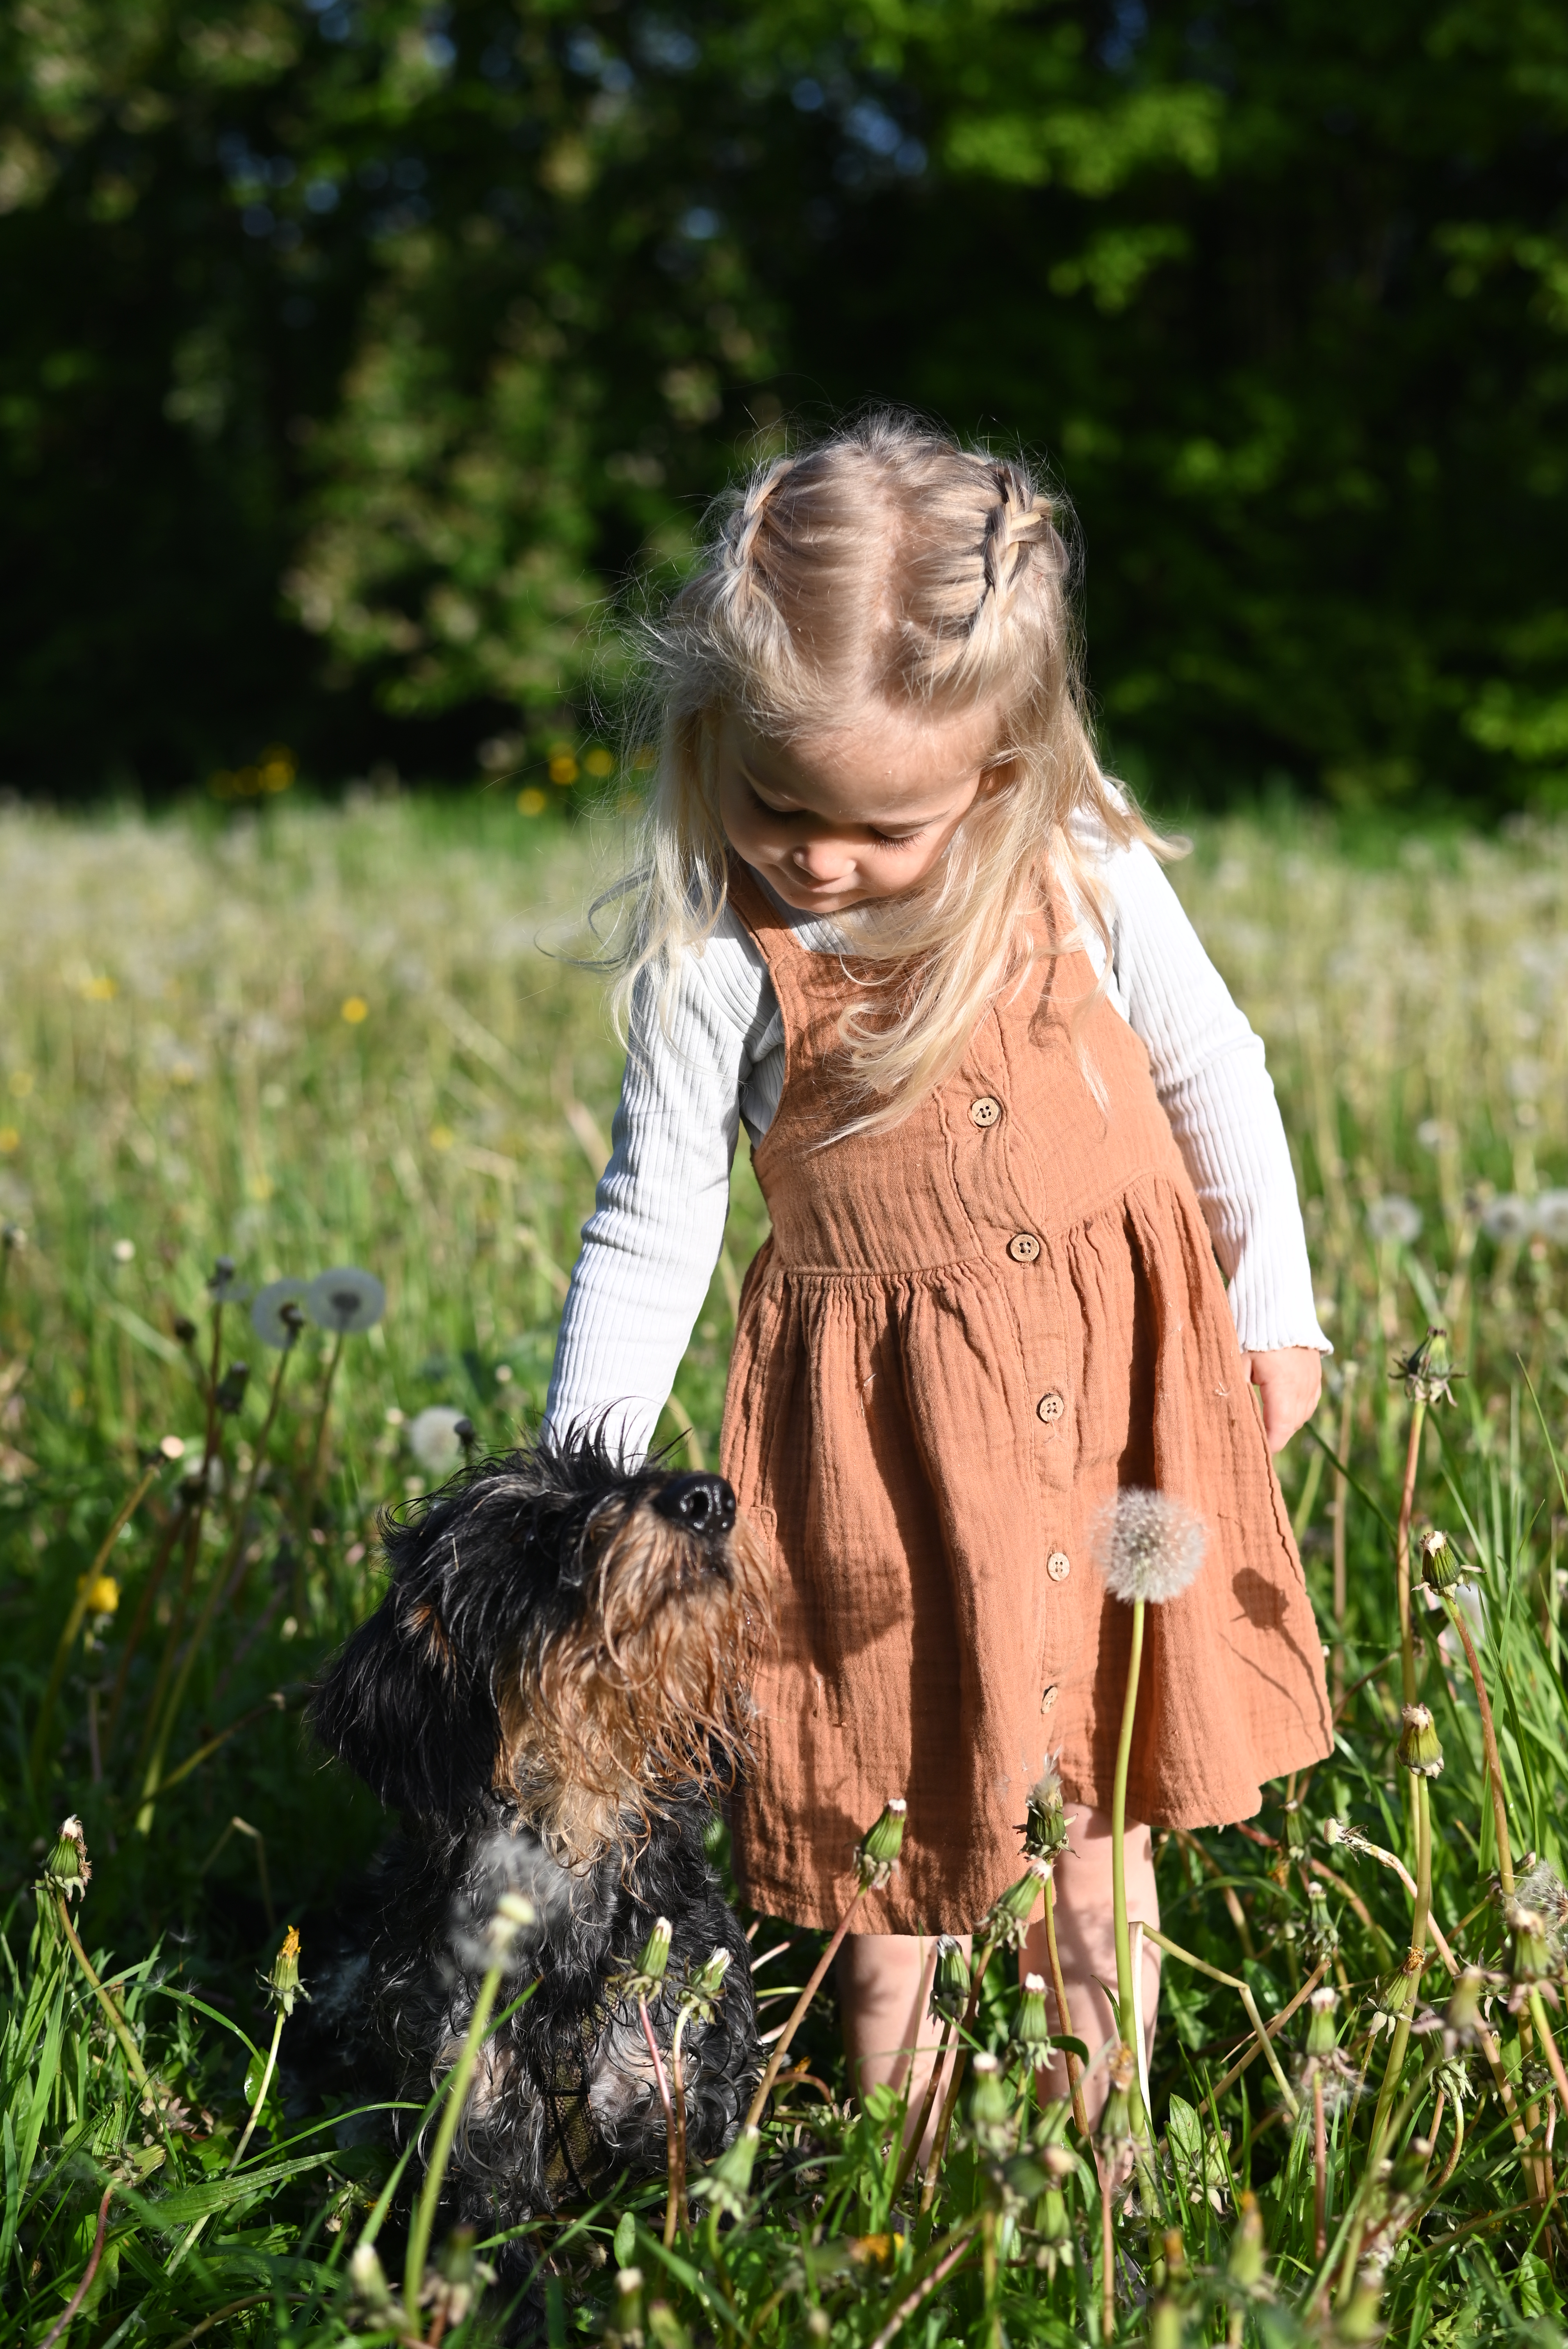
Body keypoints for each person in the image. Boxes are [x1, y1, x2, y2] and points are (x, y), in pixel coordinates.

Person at [545, 412, 1333, 2135]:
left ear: (998, 773)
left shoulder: (1080, 860)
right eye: (777, 801)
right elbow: (649, 1219)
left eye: (877, 825)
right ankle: (908, 2155)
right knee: (874, 1807)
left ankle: (1096, 2154)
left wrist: (1269, 1302)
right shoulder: (721, 962)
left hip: (1122, 1406)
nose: (818, 857)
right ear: (707, 737)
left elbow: (1216, 1065)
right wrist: (583, 1478)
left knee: (1101, 1805)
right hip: (873, 1451)